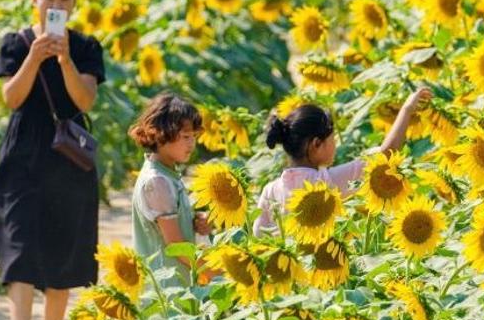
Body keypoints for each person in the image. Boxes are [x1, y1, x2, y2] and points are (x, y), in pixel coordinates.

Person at [0, 0, 105, 320]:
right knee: (18, 243)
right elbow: (12, 97)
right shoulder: (16, 44)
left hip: (68, 159)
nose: (56, 6)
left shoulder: (86, 47)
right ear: (34, 1)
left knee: (63, 249)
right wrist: (35, 58)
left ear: (74, 6)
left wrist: (65, 60)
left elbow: (84, 100)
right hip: (23, 154)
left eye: (64, 0)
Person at [253, 88, 432, 237]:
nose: (336, 144)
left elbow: (258, 236)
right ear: (317, 144)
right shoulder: (323, 185)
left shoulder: (270, 190)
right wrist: (407, 109)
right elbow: (385, 154)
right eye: (332, 139)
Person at [127, 92, 214, 289]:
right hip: (167, 291)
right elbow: (177, 248)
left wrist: (195, 222)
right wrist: (219, 270)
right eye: (185, 136)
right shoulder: (157, 181)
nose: (191, 143)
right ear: (159, 134)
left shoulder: (168, 175)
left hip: (180, 285)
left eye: (193, 136)